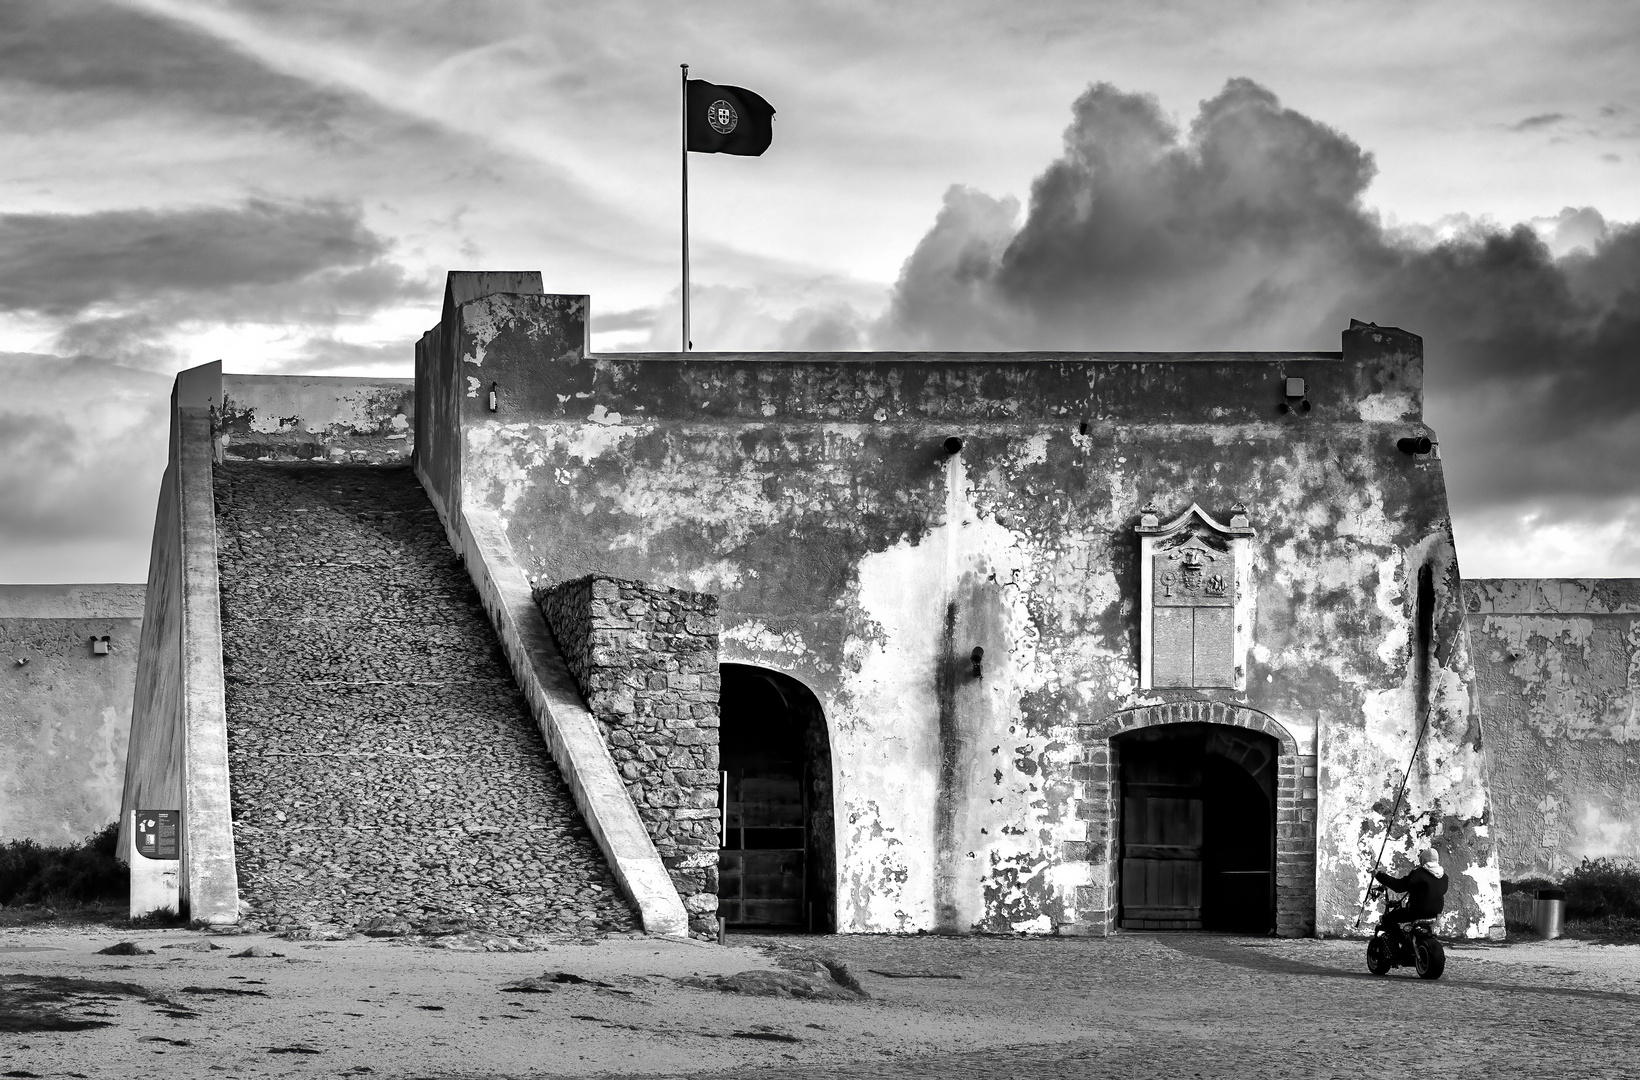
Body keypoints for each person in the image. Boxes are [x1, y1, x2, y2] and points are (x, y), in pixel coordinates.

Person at [1375, 848, 1448, 938]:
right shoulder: (1444, 877)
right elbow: (1441, 891)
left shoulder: (1418, 873)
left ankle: (1400, 941)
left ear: (1423, 860)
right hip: (1434, 913)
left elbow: (1399, 886)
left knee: (1389, 918)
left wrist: (1379, 875)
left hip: (1417, 911)